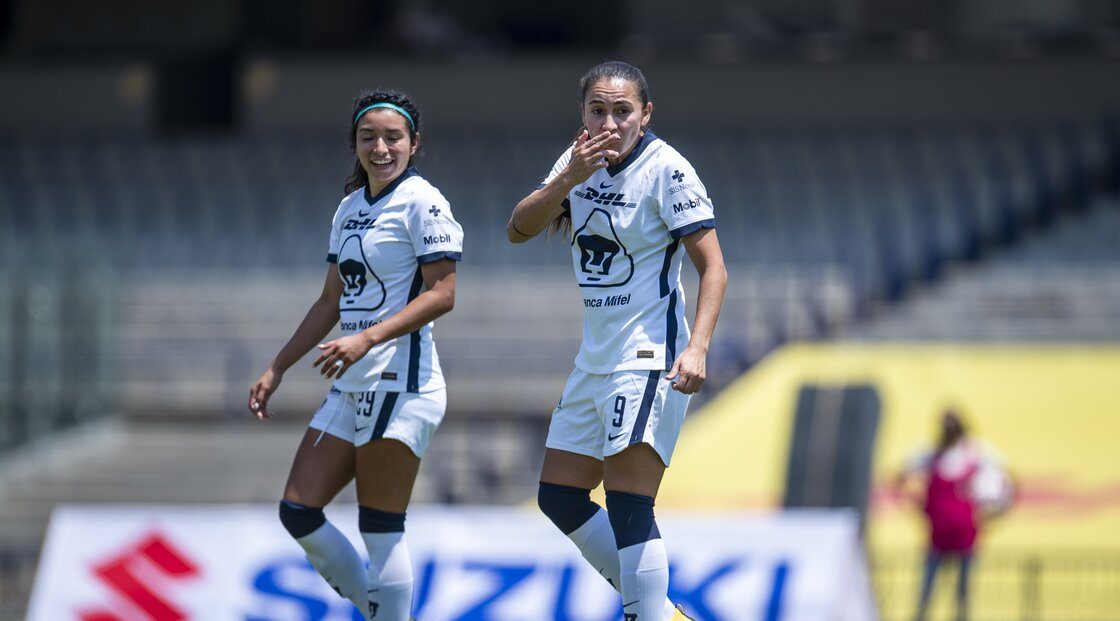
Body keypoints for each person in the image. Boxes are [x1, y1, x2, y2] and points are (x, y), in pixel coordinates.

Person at [507, 61, 728, 621]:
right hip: (596, 359)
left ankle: (646, 615)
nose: (609, 121)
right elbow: (517, 229)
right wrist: (565, 179)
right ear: (583, 112)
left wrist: (697, 347)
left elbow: (715, 268)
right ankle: (661, 611)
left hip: (649, 355)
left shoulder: (667, 170)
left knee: (631, 503)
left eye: (622, 110)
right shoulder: (576, 160)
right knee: (557, 496)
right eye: (597, 109)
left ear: (645, 114)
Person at [248, 89, 462, 621]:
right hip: (353, 383)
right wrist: (278, 366)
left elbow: (444, 294)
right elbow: (330, 300)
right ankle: (382, 610)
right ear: (355, 144)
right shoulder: (349, 207)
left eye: (394, 137)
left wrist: (366, 338)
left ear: (415, 143)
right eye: (369, 137)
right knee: (298, 510)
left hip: (402, 382)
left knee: (380, 528)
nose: (381, 147)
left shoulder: (422, 201)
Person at [896, 409, 1015, 621]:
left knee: (962, 595)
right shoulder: (931, 454)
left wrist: (997, 512)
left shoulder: (975, 453)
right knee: (927, 593)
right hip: (937, 538)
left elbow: (1007, 477)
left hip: (965, 537)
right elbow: (901, 476)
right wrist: (916, 506)